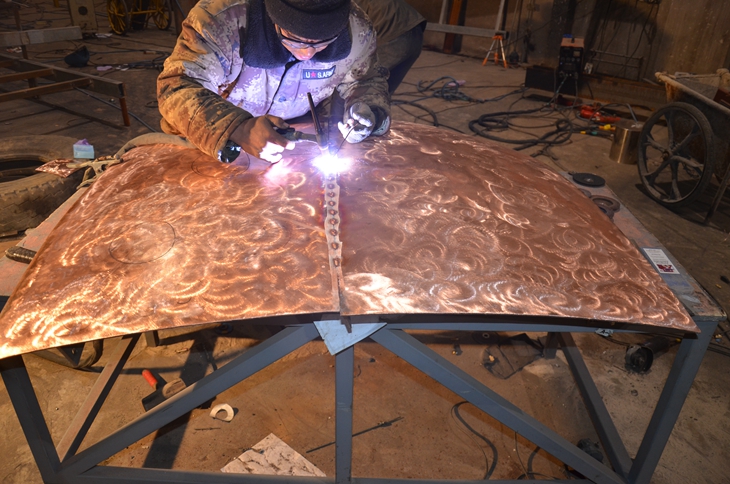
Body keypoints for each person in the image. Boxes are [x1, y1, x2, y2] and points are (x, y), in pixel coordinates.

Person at [157, 0, 390, 164]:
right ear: (274, 18)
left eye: (321, 43)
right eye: (297, 40)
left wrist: (368, 109)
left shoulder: (358, 30)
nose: (308, 54)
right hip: (210, 144)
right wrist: (240, 129)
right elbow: (176, 87)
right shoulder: (220, 21)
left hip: (291, 148)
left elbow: (367, 79)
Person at [354, 0, 426, 94]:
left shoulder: (337, 7)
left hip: (393, 36)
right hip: (415, 31)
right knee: (380, 92)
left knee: (353, 88)